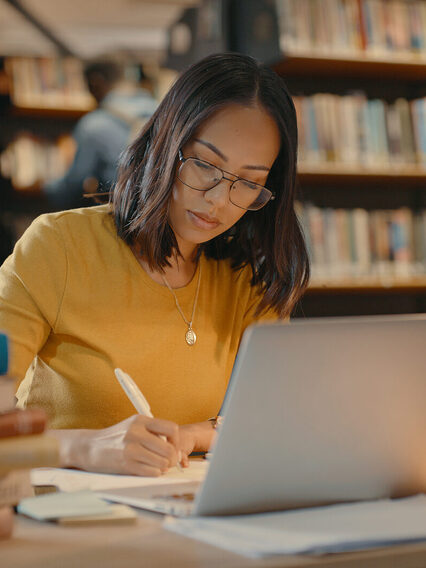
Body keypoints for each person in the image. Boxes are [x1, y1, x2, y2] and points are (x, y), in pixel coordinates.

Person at [0, 53, 309, 477]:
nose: (219, 199)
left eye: (250, 182)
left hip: (190, 514)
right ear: (166, 141)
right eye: (205, 165)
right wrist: (85, 447)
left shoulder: (249, 278)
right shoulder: (59, 246)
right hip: (68, 517)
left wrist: (193, 436)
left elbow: (271, 420)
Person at [44, 59, 157, 210]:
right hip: (160, 213)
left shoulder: (93, 125)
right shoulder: (162, 110)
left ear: (95, 82)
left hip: (121, 215)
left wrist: (48, 189)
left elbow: (74, 184)